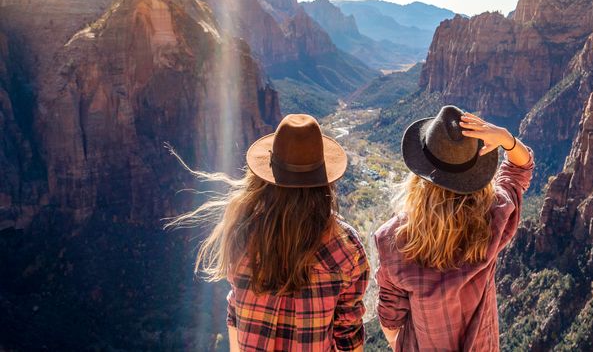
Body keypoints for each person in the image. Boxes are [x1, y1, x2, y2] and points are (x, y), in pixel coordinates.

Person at [168, 114, 369, 352]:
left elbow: (235, 313)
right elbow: (348, 336)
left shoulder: (241, 231)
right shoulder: (345, 248)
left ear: (265, 178)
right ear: (324, 181)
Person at [374, 105, 534, 351]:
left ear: (419, 176)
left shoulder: (392, 240)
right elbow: (519, 170)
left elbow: (390, 320)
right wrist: (506, 139)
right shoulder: (492, 218)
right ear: (474, 176)